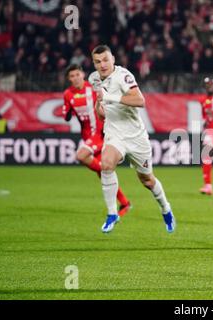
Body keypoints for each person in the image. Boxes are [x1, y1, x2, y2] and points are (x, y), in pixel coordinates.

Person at [88, 45, 175, 233]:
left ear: (113, 59)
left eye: (105, 60)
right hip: (114, 134)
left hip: (135, 136)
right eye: (97, 61)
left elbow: (140, 101)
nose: (102, 65)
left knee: (147, 180)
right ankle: (112, 213)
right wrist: (98, 104)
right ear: (93, 63)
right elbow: (102, 115)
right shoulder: (94, 79)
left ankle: (165, 208)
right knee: (106, 164)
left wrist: (110, 97)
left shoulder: (123, 75)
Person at [63, 64, 131, 217]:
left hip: (101, 134)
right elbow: (66, 113)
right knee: (104, 172)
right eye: (72, 76)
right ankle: (125, 203)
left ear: (82, 74)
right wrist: (67, 113)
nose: (75, 78)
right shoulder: (68, 94)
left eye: (77, 74)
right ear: (69, 79)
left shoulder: (93, 88)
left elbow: (108, 101)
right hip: (87, 137)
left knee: (81, 155)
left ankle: (120, 203)